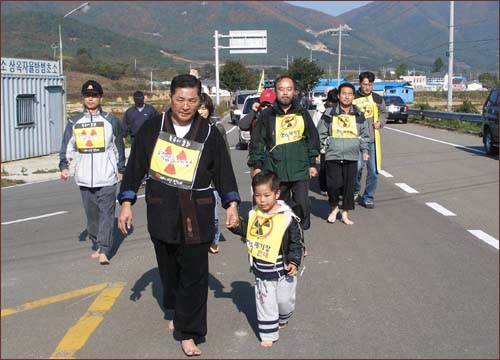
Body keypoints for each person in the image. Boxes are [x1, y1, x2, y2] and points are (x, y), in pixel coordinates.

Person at [117, 74, 240, 357]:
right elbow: (135, 166)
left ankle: (189, 332)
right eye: (180, 99)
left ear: (200, 101)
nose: (186, 106)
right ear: (170, 98)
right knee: (169, 270)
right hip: (163, 209)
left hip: (198, 210)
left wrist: (231, 204)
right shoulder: (152, 128)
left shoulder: (208, 132)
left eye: (192, 100)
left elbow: (223, 171)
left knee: (195, 275)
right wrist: (126, 202)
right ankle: (176, 306)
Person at [227, 170, 304, 348]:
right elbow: (247, 232)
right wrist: (236, 225)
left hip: (283, 270)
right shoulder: (254, 214)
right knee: (265, 303)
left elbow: (296, 242)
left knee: (284, 301)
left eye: (267, 195)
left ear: (277, 194)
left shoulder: (287, 218)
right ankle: (268, 333)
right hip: (262, 271)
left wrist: (294, 261)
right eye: (257, 195)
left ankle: (284, 317)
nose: (262, 200)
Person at [59, 80, 125, 265]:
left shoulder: (110, 120)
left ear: (100, 98)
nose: (91, 98)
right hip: (84, 176)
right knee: (92, 215)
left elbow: (118, 146)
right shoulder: (74, 121)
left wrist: (120, 169)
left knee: (106, 212)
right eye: (87, 95)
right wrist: (64, 167)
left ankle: (104, 249)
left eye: (94, 95)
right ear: (83, 98)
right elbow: (68, 147)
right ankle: (97, 241)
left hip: (106, 176)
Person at [248, 75, 320, 234]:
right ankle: (283, 234)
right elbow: (258, 141)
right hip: (276, 169)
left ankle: (300, 230)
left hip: (300, 168)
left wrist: (312, 163)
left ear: (294, 91)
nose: (285, 93)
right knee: (280, 204)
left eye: (289, 89)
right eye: (281, 89)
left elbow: (311, 138)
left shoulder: (302, 113)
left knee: (303, 203)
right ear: (276, 92)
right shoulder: (267, 116)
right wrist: (257, 165)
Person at [317, 82, 369, 225]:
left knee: (348, 186)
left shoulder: (358, 113)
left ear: (353, 96)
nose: (347, 97)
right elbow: (320, 132)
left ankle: (345, 213)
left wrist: (365, 150)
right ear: (339, 96)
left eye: (350, 94)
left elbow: (364, 134)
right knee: (333, 185)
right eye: (344, 94)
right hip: (333, 154)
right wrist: (319, 149)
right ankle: (334, 208)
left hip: (352, 154)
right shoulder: (330, 113)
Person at [198, 93, 229, 254]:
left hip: (213, 181)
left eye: (204, 108)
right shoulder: (187, 131)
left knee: (214, 215)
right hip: (194, 181)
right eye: (199, 108)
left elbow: (225, 157)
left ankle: (214, 240)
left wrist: (225, 180)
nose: (201, 111)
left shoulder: (218, 129)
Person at [352, 71, 387, 209]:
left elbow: (384, 113)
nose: (367, 87)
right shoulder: (352, 97)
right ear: (360, 84)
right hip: (357, 141)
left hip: (372, 140)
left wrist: (380, 122)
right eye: (365, 84)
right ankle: (355, 190)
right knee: (357, 167)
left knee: (373, 170)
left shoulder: (377, 98)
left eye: (370, 84)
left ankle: (368, 197)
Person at [315, 88, 338, 195]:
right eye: (332, 102)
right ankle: (323, 187)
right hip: (323, 143)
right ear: (328, 100)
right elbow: (315, 126)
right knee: (324, 167)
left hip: (335, 142)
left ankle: (335, 187)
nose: (333, 104)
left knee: (334, 167)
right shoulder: (320, 109)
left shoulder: (339, 110)